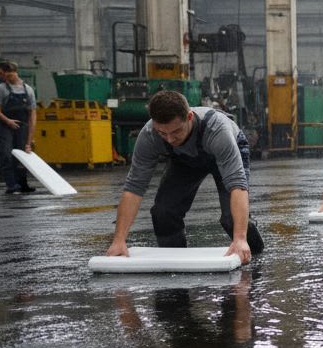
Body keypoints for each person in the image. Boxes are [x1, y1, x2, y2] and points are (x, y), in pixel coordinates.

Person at [106, 90, 264, 263]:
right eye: (162, 133)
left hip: (227, 148)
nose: (170, 139)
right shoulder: (149, 135)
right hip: (185, 160)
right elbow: (133, 189)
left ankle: (253, 253)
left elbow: (237, 185)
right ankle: (175, 261)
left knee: (231, 219)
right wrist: (119, 241)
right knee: (163, 213)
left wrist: (240, 239)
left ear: (189, 117)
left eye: (175, 132)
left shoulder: (216, 129)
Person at [0, 61, 37, 194]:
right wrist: (8, 121)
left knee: (22, 155)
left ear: (10, 73)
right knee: (5, 154)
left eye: (1, 74)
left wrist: (29, 141)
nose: (1, 77)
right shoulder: (1, 88)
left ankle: (23, 184)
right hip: (5, 126)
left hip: (22, 126)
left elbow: (32, 116)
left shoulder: (28, 90)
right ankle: (11, 185)